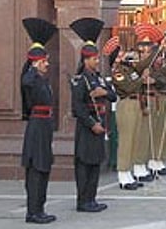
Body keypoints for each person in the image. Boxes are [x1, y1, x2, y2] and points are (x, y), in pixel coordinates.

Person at [70, 17, 117, 212]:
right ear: (86, 60)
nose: (97, 61)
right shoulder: (80, 81)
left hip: (100, 124)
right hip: (87, 127)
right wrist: (91, 124)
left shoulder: (98, 79)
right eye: (94, 58)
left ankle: (92, 198)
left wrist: (103, 92)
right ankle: (83, 201)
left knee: (96, 163)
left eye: (97, 58)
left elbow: (113, 96)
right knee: (85, 165)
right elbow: (77, 107)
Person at [21, 18, 57, 224]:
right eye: (44, 61)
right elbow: (25, 81)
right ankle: (33, 211)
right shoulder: (31, 78)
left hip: (44, 127)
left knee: (44, 168)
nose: (47, 64)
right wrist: (32, 66)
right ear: (36, 62)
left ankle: (39, 209)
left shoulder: (42, 80)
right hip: (36, 127)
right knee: (36, 170)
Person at [133, 22, 166, 179]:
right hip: (146, 100)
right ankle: (140, 164)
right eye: (143, 48)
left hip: (159, 97)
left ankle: (156, 160)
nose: (145, 51)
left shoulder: (160, 64)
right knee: (144, 134)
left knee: (160, 131)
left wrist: (153, 78)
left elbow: (163, 77)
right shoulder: (138, 64)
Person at [103, 36, 143, 190]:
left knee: (134, 139)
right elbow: (128, 87)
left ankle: (130, 172)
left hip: (135, 103)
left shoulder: (128, 68)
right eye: (119, 54)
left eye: (122, 53)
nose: (122, 56)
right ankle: (123, 174)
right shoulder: (117, 71)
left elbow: (135, 79)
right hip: (125, 103)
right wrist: (141, 80)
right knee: (126, 140)